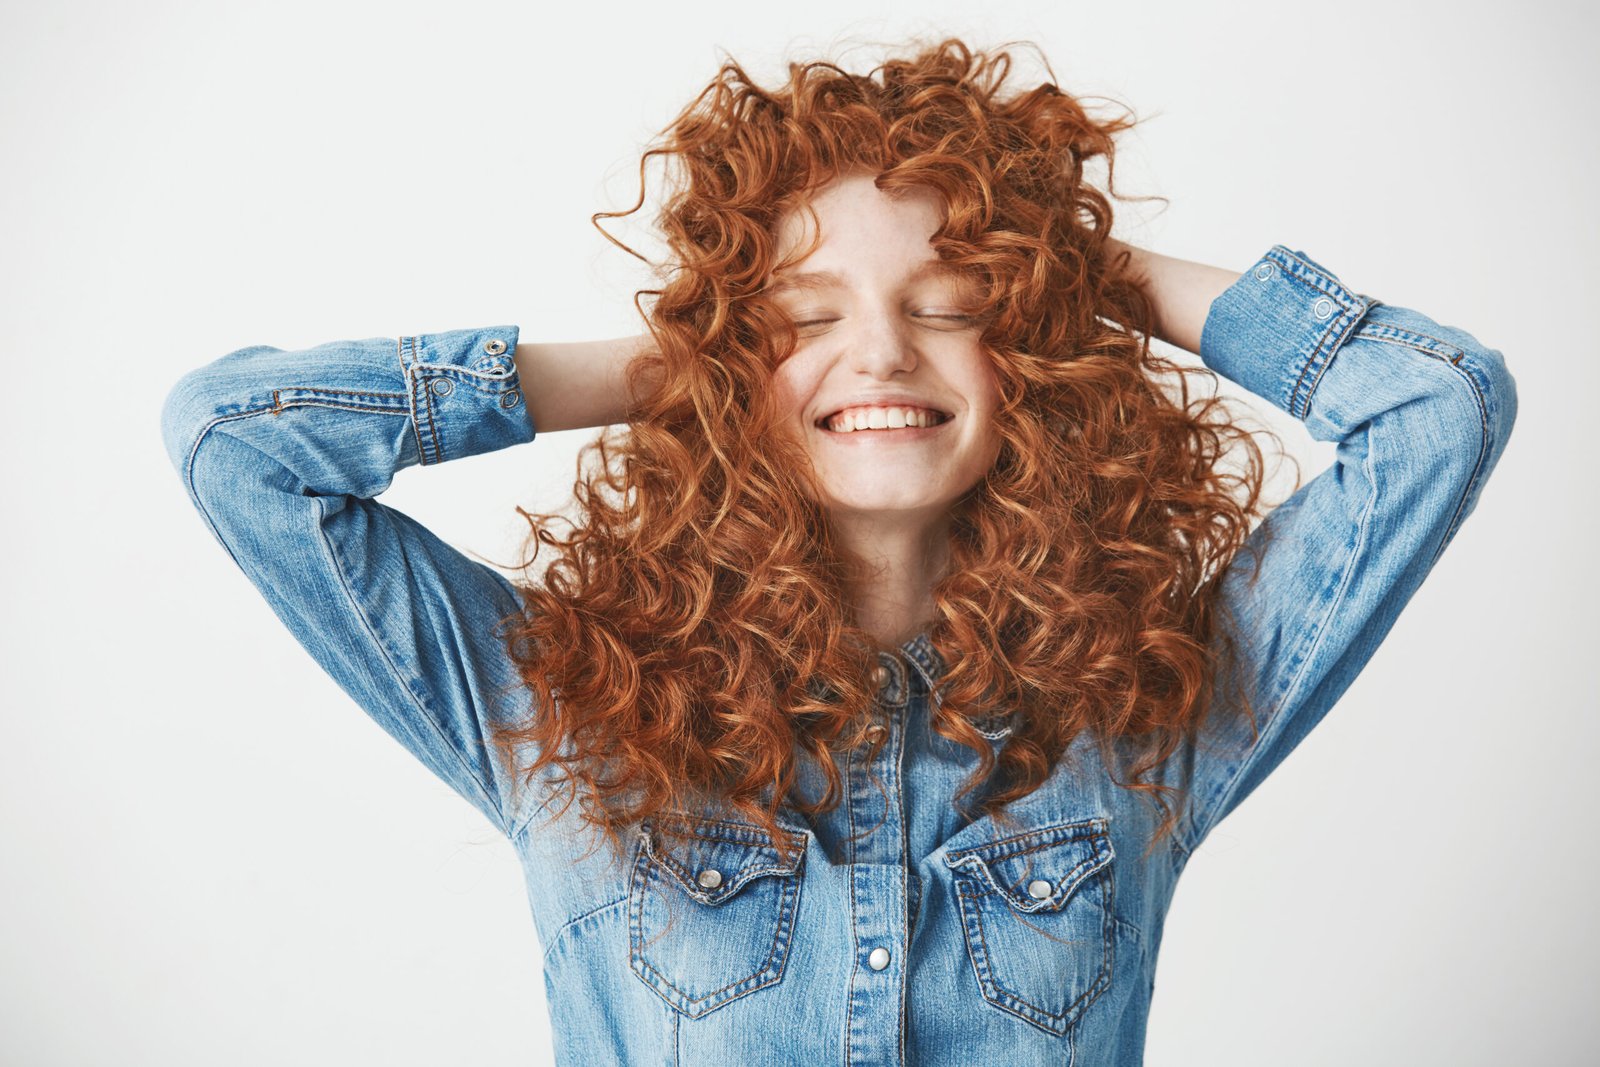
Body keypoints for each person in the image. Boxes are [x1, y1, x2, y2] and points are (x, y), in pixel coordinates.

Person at [159, 37, 1517, 1066]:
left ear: (1026, 349)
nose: (877, 351)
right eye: (804, 318)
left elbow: (1436, 406)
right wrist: (681, 363)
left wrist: (1075, 271)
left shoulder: (1149, 715)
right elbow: (236, 441)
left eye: (952, 304)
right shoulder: (557, 708)